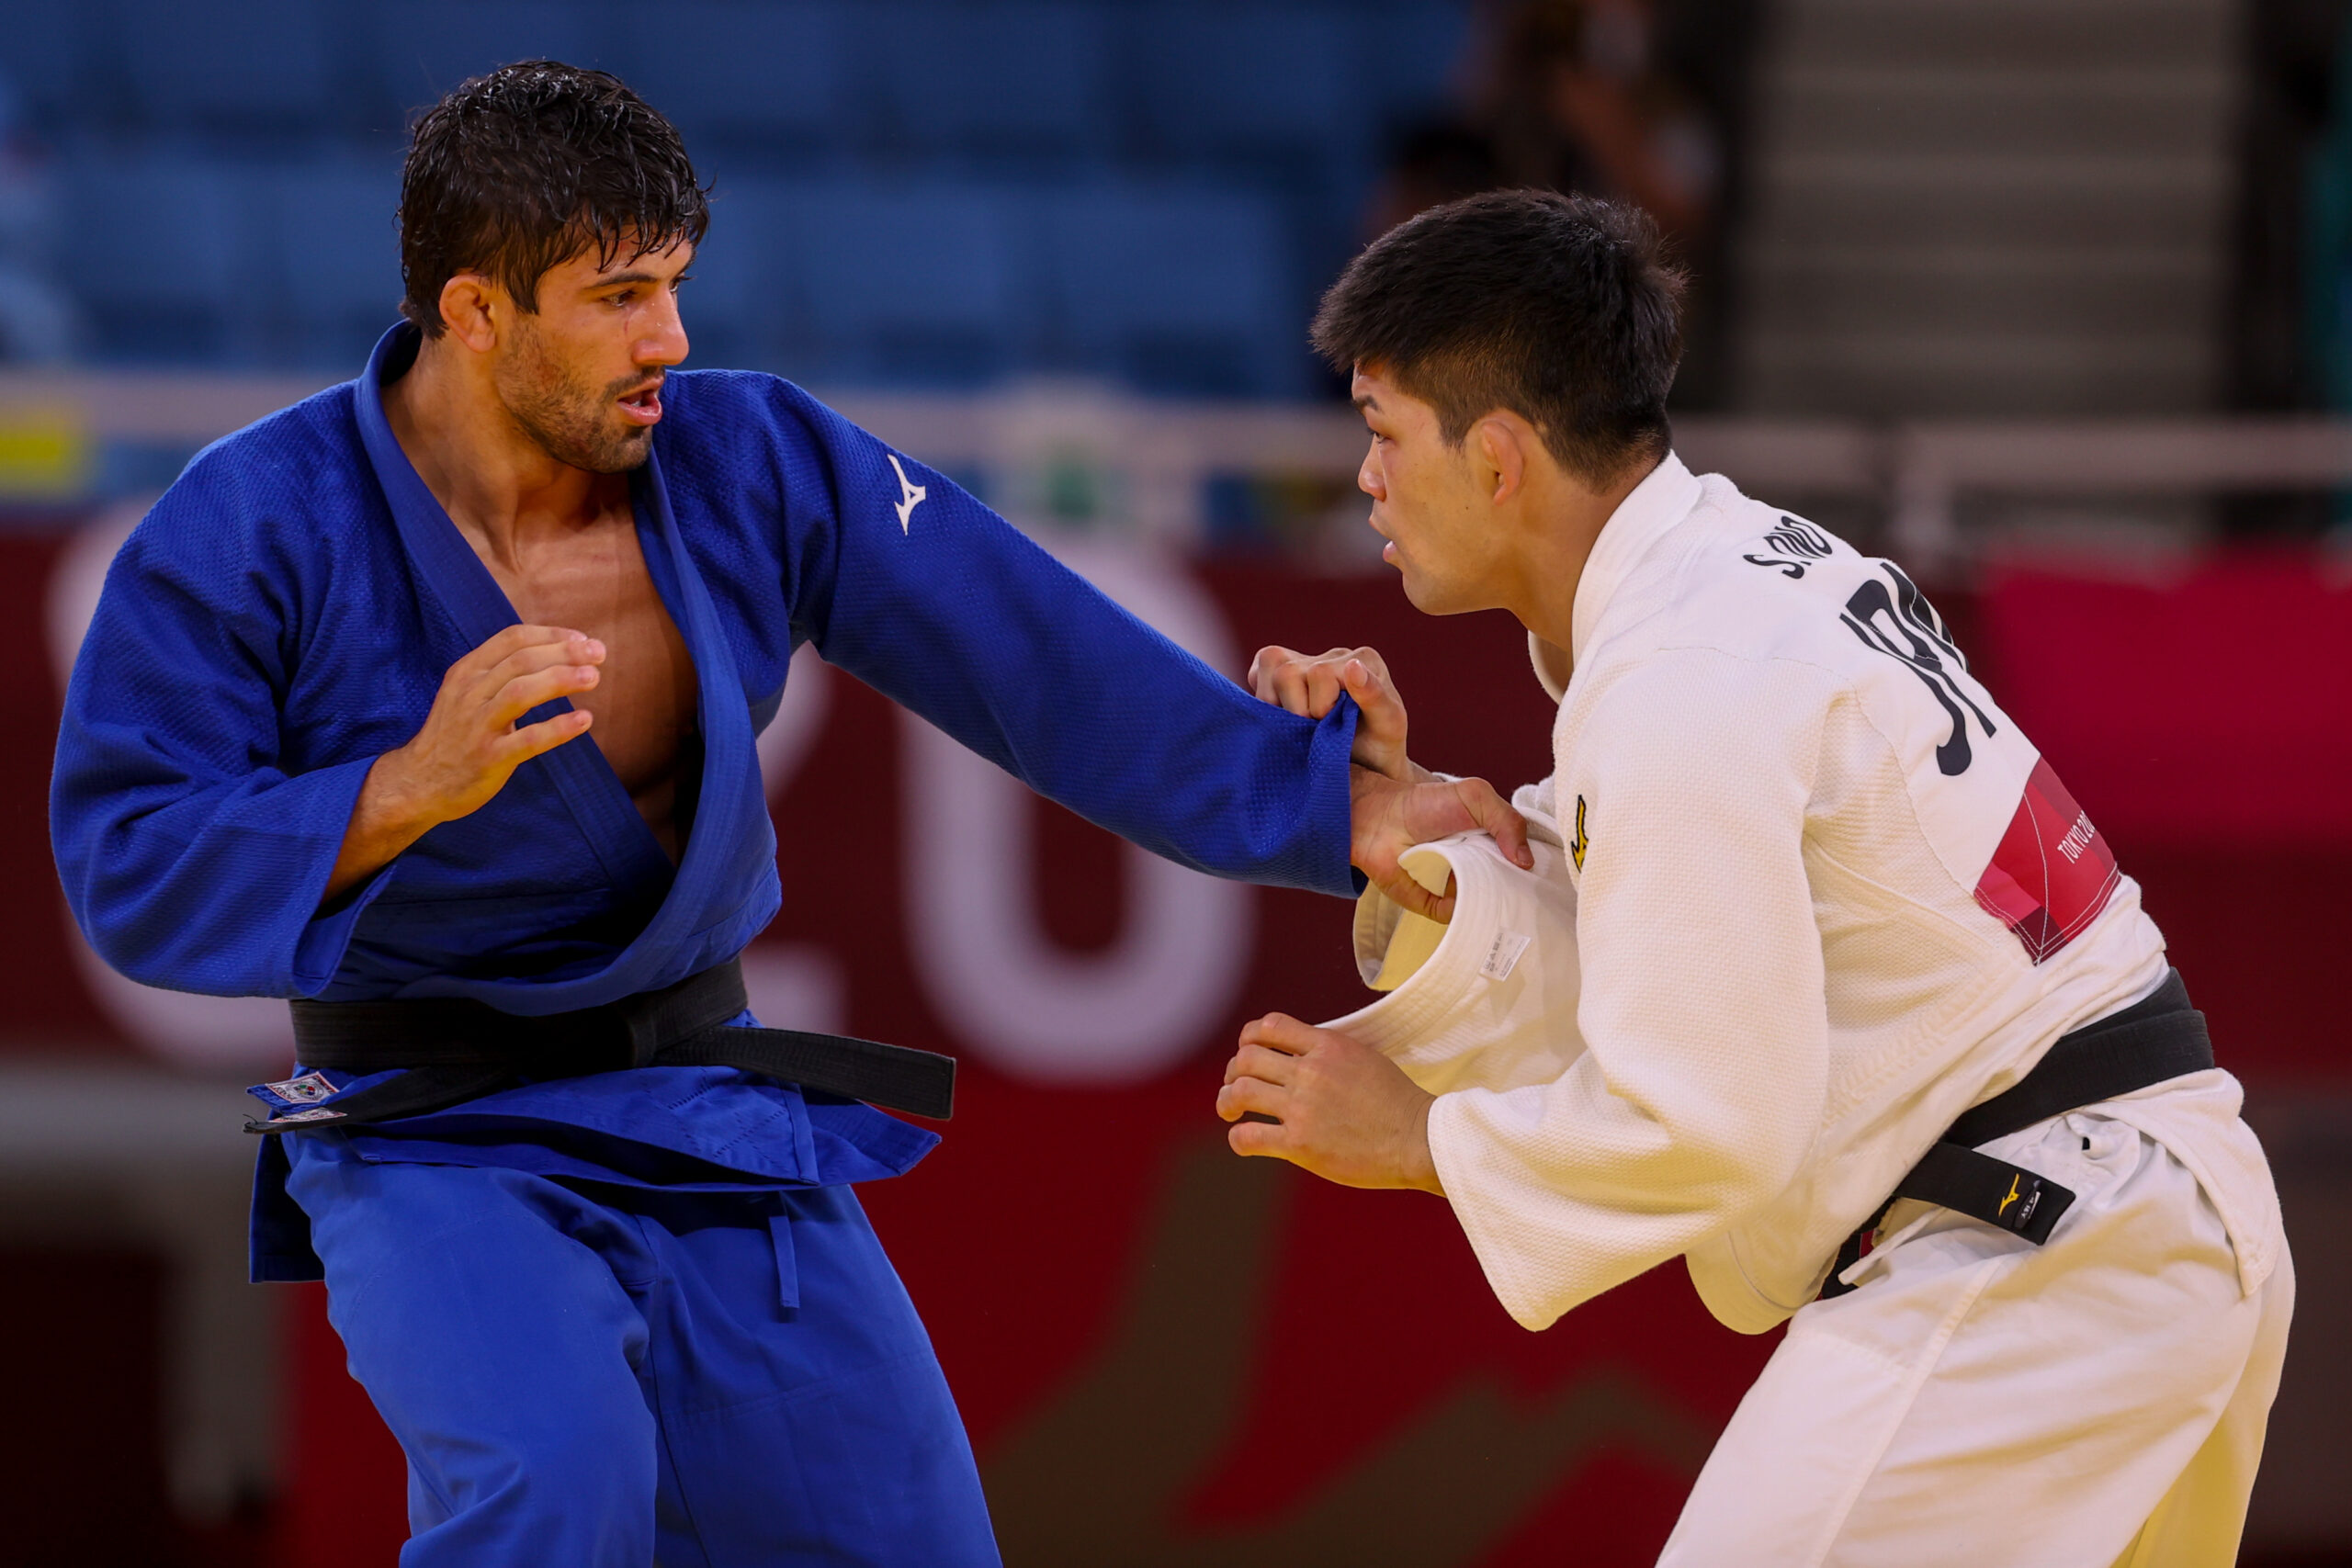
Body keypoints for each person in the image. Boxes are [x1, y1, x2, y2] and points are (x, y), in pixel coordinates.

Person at [48, 63, 1529, 1567]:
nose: (669, 340)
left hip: (703, 1108)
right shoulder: (256, 523)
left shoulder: (748, 461)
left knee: (908, 1536)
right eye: (618, 298)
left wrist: (1327, 799)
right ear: (476, 310)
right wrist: (400, 787)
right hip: (431, 1137)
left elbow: (1031, 655)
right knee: (554, 1488)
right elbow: (129, 861)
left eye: (674, 286)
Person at [1221, 189, 2291, 1565]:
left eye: (1382, 430)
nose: (1364, 477)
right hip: (2139, 1218)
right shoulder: (1740, 570)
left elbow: (1716, 1124)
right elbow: (1670, 940)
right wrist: (1419, 824)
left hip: (2048, 1247)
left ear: (1496, 459)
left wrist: (1421, 1140)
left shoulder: (1679, 679)